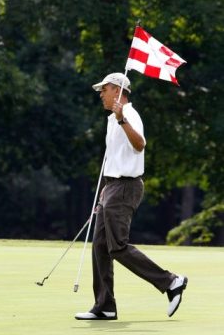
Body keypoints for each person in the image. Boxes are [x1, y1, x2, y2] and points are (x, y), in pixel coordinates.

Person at [75, 72, 187, 320]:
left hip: (126, 187)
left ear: (117, 90)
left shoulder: (129, 115)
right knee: (100, 246)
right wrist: (104, 190)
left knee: (117, 246)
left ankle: (171, 281)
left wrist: (122, 119)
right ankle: (105, 306)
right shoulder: (112, 119)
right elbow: (113, 159)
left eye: (104, 89)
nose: (101, 94)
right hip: (112, 187)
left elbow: (140, 144)